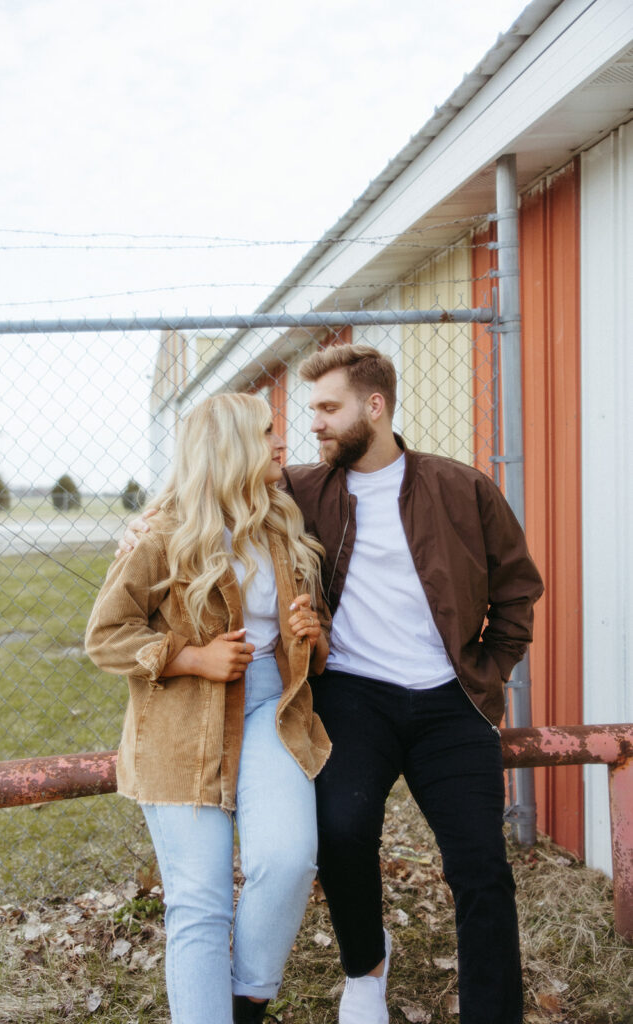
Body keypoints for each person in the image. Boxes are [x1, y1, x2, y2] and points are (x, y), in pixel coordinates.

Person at [120, 344, 544, 1024]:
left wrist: (489, 666)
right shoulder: (300, 491)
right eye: (304, 410)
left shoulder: (460, 488)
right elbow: (210, 489)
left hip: (449, 701)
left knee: (480, 866)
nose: (309, 425)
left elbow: (517, 587)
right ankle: (365, 972)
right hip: (352, 693)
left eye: (325, 408)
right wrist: (144, 522)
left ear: (372, 408)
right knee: (341, 830)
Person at [87, 392, 331, 1024]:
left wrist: (310, 628)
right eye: (268, 431)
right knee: (200, 904)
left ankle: (246, 1003)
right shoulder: (163, 534)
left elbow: (312, 631)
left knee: (287, 859)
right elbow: (105, 636)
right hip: (181, 729)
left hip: (270, 711)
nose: (283, 440)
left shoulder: (279, 521)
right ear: (231, 448)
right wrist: (189, 658)